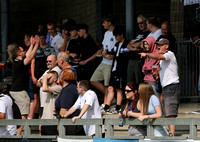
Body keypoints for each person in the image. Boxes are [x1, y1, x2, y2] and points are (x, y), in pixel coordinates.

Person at [139, 38, 180, 136]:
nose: (158, 47)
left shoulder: (169, 54)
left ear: (166, 46)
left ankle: (172, 135)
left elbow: (158, 56)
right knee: (166, 113)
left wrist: (147, 54)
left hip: (172, 86)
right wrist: (154, 72)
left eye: (160, 45)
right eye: (157, 45)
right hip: (166, 87)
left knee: (170, 113)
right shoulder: (162, 60)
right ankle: (170, 134)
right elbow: (158, 71)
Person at [9, 35, 39, 135]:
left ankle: (20, 134)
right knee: (23, 116)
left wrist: (32, 44)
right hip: (19, 92)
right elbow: (30, 57)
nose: (24, 52)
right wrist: (36, 45)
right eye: (22, 51)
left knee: (24, 115)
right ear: (18, 53)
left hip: (20, 91)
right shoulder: (18, 63)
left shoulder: (19, 61)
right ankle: (18, 135)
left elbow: (27, 55)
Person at [90, 15, 116, 110]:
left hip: (110, 63)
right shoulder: (106, 33)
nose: (103, 24)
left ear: (109, 22)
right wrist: (100, 51)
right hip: (103, 61)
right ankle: (110, 98)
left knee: (107, 84)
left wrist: (108, 54)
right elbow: (104, 46)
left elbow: (114, 49)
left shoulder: (116, 33)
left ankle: (107, 103)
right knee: (93, 79)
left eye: (104, 22)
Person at [103, 26, 130, 114]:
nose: (115, 38)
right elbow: (112, 53)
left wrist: (114, 56)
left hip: (121, 70)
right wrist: (106, 53)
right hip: (114, 69)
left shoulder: (127, 44)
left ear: (121, 35)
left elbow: (124, 57)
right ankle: (106, 106)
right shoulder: (116, 44)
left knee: (119, 89)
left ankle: (118, 107)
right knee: (110, 88)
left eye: (117, 36)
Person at [29, 32, 55, 119]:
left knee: (45, 95)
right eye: (40, 38)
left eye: (43, 38)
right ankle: (35, 116)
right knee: (36, 96)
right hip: (37, 73)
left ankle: (42, 114)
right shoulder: (36, 49)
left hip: (46, 73)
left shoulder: (50, 48)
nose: (41, 40)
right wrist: (33, 76)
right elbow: (32, 62)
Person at [54, 68, 85, 135]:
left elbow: (64, 109)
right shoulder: (73, 88)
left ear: (64, 77)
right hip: (75, 124)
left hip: (71, 124)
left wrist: (59, 126)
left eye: (60, 75)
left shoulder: (68, 90)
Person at [126, 15, 150, 84]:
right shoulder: (137, 33)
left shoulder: (148, 33)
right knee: (130, 81)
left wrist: (134, 45)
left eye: (141, 23)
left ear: (146, 22)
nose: (140, 25)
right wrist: (134, 49)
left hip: (139, 60)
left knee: (138, 81)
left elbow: (138, 44)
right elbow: (128, 45)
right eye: (138, 23)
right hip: (131, 59)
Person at [41, 71, 62, 135]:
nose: (47, 79)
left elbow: (44, 89)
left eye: (49, 77)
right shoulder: (49, 88)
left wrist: (44, 78)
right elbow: (46, 105)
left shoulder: (58, 88)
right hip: (45, 121)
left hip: (52, 121)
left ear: (55, 79)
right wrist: (41, 119)